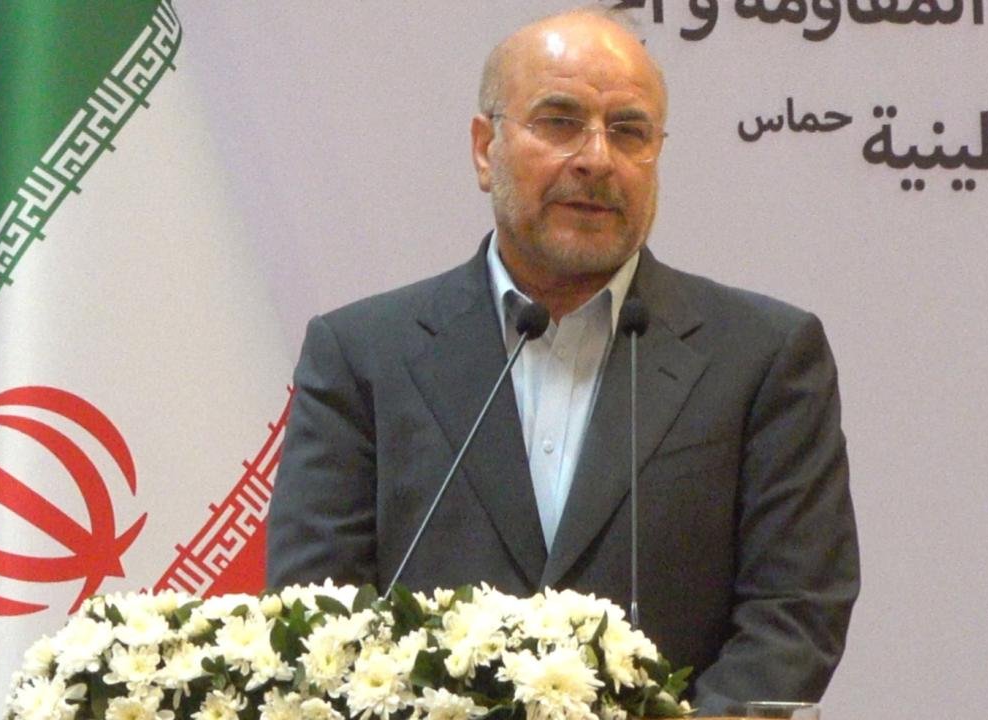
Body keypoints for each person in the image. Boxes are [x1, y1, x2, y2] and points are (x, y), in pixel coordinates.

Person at [266, 7, 859, 715]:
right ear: (485, 149)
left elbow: (794, 615)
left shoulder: (762, 356)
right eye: (559, 122)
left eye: (629, 131)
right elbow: (317, 615)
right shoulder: (362, 355)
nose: (597, 159)